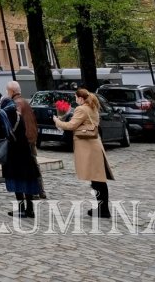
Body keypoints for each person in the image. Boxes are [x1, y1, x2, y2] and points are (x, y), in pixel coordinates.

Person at [53, 87, 115, 218]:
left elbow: (71, 126)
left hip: (89, 147)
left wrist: (58, 121)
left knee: (97, 179)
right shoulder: (93, 107)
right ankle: (102, 207)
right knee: (98, 179)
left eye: (76, 98)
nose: (75, 100)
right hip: (95, 145)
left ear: (81, 98)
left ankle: (103, 209)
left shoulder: (81, 109)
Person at [0, 84, 41, 218]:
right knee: (28, 177)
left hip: (17, 146)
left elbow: (7, 128)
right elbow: (33, 123)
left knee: (18, 177)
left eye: (7, 90)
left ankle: (23, 208)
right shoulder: (25, 103)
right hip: (27, 145)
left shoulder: (14, 106)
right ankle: (30, 208)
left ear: (11, 91)